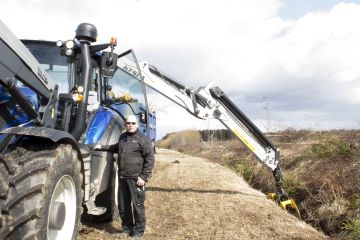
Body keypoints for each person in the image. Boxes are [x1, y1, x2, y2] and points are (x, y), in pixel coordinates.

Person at [96, 114, 154, 239]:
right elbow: (116, 148)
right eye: (128, 123)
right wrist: (101, 147)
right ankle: (127, 229)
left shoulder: (143, 139)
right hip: (122, 177)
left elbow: (150, 159)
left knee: (137, 205)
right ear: (125, 125)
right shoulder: (123, 137)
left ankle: (138, 232)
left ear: (137, 124)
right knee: (123, 206)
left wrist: (143, 177)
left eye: (133, 123)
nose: (130, 125)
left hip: (136, 179)